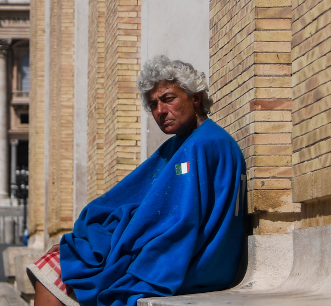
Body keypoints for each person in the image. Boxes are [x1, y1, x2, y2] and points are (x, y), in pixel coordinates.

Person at [29, 56, 246, 306]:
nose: (160, 111)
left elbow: (177, 222)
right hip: (200, 260)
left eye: (168, 99)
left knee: (52, 272)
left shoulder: (202, 144)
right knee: (63, 261)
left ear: (195, 98)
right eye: (153, 104)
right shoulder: (187, 142)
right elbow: (133, 201)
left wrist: (99, 246)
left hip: (189, 264)